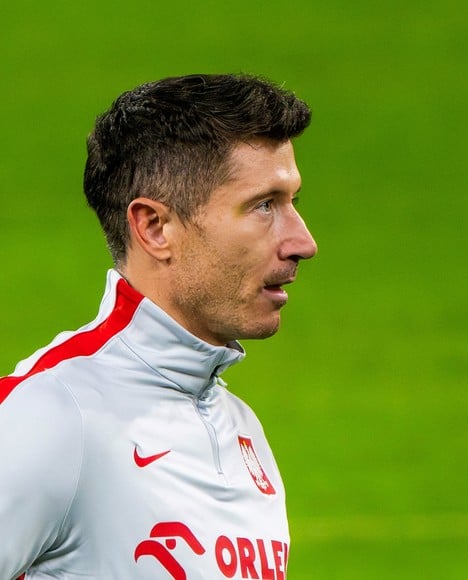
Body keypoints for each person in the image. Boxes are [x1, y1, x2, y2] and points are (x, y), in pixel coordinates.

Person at [0, 74, 317, 579]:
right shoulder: (53, 413)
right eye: (263, 206)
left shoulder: (241, 428)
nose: (303, 241)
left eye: (292, 203)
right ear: (155, 228)